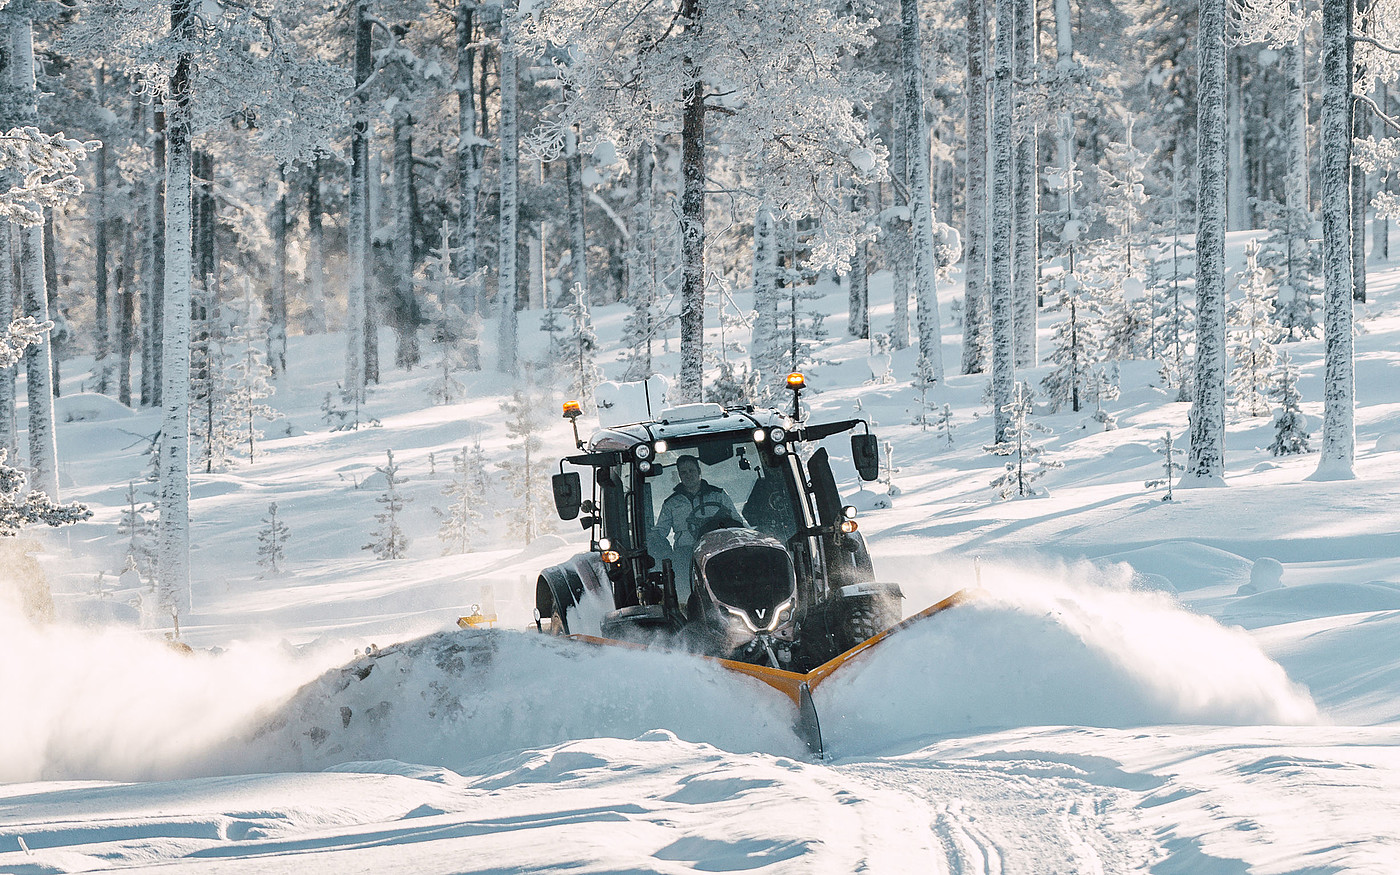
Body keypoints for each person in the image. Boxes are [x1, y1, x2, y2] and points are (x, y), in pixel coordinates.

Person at [651, 455, 743, 595]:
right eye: (684, 472)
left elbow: (737, 522)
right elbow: (660, 532)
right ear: (679, 476)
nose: (688, 475)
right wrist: (658, 545)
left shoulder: (718, 495)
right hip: (686, 554)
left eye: (691, 471)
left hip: (718, 549)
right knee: (684, 587)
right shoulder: (671, 503)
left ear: (699, 471)